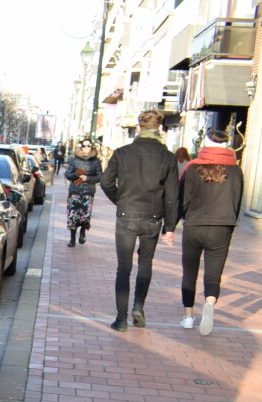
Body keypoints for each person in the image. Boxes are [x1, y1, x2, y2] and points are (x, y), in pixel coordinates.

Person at [101, 110, 179, 331]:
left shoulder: (122, 153)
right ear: (160, 129)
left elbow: (106, 183)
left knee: (123, 267)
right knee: (146, 263)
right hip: (153, 217)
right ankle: (138, 307)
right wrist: (170, 227)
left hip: (127, 214)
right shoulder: (168, 157)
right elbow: (172, 195)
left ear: (138, 128)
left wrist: (121, 201)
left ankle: (121, 319)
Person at [164, 130, 242, 335]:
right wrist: (230, 224)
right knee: (213, 274)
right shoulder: (235, 170)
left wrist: (170, 227)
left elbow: (182, 199)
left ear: (205, 145)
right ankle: (209, 302)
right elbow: (237, 200)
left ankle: (188, 317)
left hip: (195, 226)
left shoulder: (192, 167)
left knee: (189, 273)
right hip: (221, 227)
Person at [63, 141, 101, 248]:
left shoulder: (96, 161)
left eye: (88, 145)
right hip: (74, 192)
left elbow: (100, 177)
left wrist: (87, 178)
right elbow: (68, 175)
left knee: (85, 217)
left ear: (91, 147)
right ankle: (72, 239)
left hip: (88, 193)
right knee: (73, 216)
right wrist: (76, 174)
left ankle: (83, 231)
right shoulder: (74, 160)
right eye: (84, 146)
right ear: (81, 147)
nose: (86, 148)